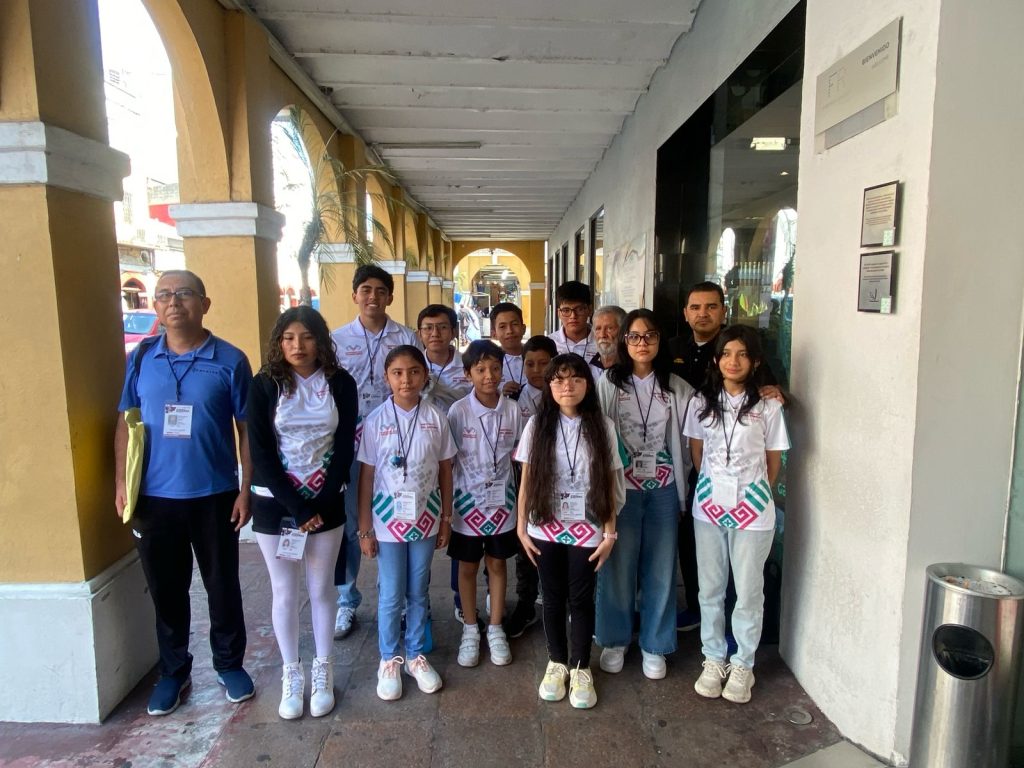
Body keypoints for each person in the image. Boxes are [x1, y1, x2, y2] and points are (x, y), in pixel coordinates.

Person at [114, 270, 254, 716]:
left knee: (222, 585)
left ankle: (229, 664)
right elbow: (126, 422)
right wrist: (121, 482)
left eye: (184, 294)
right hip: (154, 498)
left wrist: (246, 488)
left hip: (215, 494)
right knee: (167, 590)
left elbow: (247, 429)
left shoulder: (230, 360)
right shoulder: (141, 358)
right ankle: (174, 672)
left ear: (204, 304)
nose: (174, 302)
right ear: (156, 306)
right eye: (164, 295)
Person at [247, 307, 358, 720]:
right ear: (279, 342)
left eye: (307, 337)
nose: (298, 345)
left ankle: (323, 669)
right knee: (284, 590)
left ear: (321, 341)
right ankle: (291, 673)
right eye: (289, 337)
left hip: (326, 501)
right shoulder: (264, 384)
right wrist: (297, 508)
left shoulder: (339, 383)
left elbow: (345, 444)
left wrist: (322, 502)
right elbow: (260, 450)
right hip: (275, 504)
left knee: (322, 588)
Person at [683, 326, 790, 704]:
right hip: (709, 508)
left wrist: (751, 494)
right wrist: (717, 488)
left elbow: (773, 461)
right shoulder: (700, 402)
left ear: (755, 361)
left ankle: (743, 663)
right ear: (717, 360)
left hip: (753, 511)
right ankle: (714, 658)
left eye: (742, 354)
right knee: (710, 588)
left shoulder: (768, 407)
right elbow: (698, 454)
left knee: (747, 591)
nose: (733, 361)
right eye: (727, 353)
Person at [668, 281, 783, 633]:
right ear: (685, 313)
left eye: (711, 306)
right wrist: (710, 476)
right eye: (695, 307)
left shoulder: (746, 352)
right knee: (701, 560)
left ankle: (739, 638)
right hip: (705, 480)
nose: (703, 313)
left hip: (749, 490)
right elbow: (696, 449)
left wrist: (757, 487)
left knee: (746, 576)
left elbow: (775, 405)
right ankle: (704, 624)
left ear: (723, 310)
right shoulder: (673, 348)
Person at [515, 354, 625, 709]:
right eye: (559, 379)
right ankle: (557, 662)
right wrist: (521, 527)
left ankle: (580, 667)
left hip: (587, 526)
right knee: (551, 596)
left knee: (580, 597)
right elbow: (526, 480)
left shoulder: (602, 425)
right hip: (545, 524)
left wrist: (609, 533)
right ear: (549, 385)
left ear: (587, 385)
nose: (567, 386)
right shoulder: (537, 425)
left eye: (576, 379)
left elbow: (609, 483)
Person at [595, 309, 694, 680]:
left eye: (649, 336)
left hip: (664, 488)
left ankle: (656, 644)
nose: (642, 343)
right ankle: (615, 639)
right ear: (624, 341)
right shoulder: (608, 383)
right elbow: (597, 438)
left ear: (659, 340)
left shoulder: (676, 387)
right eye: (634, 336)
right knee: (617, 566)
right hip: (622, 488)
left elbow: (689, 440)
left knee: (662, 567)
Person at [356, 345, 456, 701]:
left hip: (426, 517)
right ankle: (389, 658)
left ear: (424, 376)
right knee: (391, 591)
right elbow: (367, 476)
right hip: (387, 521)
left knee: (418, 590)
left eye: (414, 371)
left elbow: (445, 470)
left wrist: (446, 519)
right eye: (397, 373)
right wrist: (365, 528)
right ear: (386, 378)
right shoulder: (375, 421)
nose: (406, 380)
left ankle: (414, 655)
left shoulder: (436, 418)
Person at [330, 265, 418, 639]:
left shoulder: (405, 337)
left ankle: (393, 598)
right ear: (354, 295)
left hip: (396, 445)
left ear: (390, 297)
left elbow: (418, 387)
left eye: (381, 290)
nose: (373, 296)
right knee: (351, 523)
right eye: (365, 289)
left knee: (396, 520)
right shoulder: (336, 340)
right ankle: (346, 600)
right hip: (350, 446)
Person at [447, 340, 523, 667]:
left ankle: (495, 628)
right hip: (467, 505)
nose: (489, 376)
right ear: (468, 374)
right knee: (467, 567)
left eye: (494, 368)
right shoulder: (458, 412)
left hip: (502, 504)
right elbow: (449, 460)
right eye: (480, 370)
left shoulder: (513, 410)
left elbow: (519, 456)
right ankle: (469, 627)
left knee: (497, 563)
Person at [502, 334, 557, 639]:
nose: (537, 371)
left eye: (544, 363)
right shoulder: (512, 399)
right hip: (524, 480)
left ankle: (559, 601)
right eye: (530, 364)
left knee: (558, 544)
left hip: (561, 482)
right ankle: (526, 603)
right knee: (526, 546)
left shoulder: (566, 394)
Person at [417, 304, 471, 411]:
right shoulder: (412, 366)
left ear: (453, 332)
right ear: (419, 334)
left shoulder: (468, 365)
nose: (435, 334)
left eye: (443, 327)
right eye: (428, 328)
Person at [489, 301, 527, 399]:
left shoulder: (535, 356)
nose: (509, 331)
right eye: (502, 327)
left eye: (514, 324)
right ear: (494, 334)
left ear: (523, 329)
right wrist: (499, 393)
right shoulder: (489, 362)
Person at [591, 305, 626, 370]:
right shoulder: (588, 366)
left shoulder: (634, 367)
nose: (602, 335)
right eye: (598, 329)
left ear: (623, 331)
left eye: (609, 328)